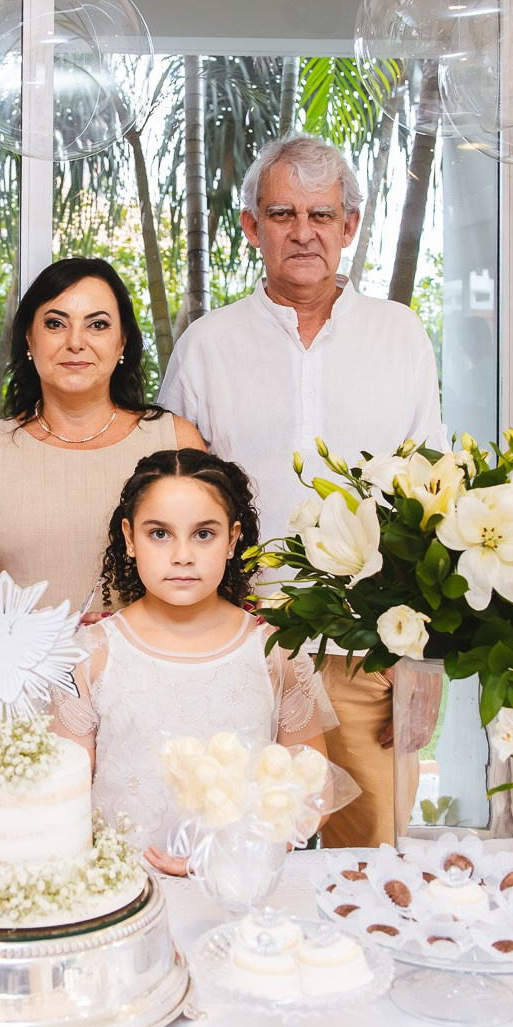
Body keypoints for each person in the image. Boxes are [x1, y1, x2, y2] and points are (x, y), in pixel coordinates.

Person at [159, 134, 445, 849]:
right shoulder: (207, 346)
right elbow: (167, 501)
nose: (304, 231)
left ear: (351, 227)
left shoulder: (401, 337)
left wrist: (427, 659)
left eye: (323, 214)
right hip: (237, 648)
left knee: (371, 865)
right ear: (253, 226)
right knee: (226, 852)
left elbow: (438, 508)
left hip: (369, 654)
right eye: (282, 212)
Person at [50, 449, 335, 876]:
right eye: (159, 534)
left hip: (239, 886)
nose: (182, 555)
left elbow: (315, 791)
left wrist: (233, 853)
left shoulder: (274, 651)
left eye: (203, 534)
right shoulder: (89, 653)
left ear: (233, 539)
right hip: (120, 889)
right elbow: (61, 791)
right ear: (129, 538)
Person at [0, 257, 204, 616]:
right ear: (29, 339)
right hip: (25, 668)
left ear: (123, 341)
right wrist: (52, 637)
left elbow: (206, 569)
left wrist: (126, 636)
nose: (76, 342)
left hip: (153, 664)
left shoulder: (174, 439)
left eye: (97, 324)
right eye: (55, 324)